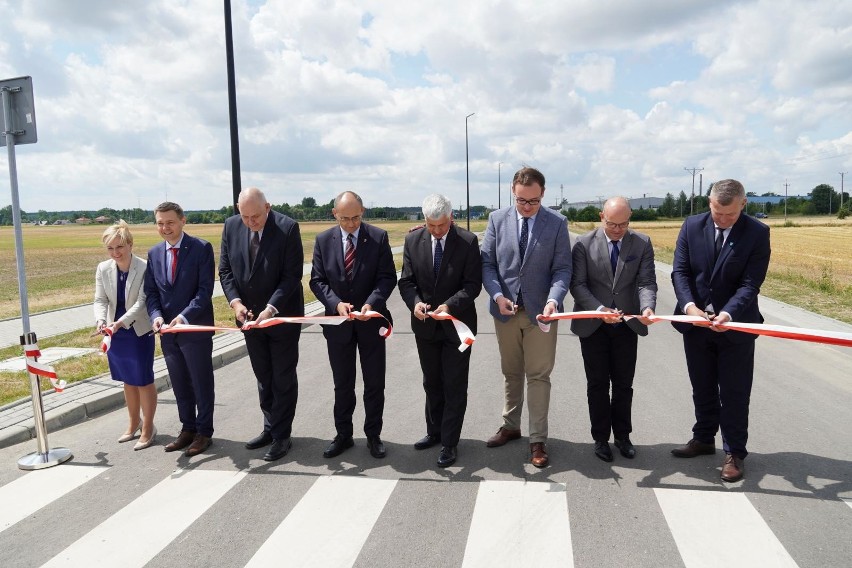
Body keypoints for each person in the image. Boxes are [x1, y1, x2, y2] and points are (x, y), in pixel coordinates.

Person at [670, 179, 771, 482]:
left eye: (729, 214)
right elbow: (681, 271)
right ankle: (703, 438)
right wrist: (689, 308)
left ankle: (734, 452)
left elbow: (751, 283)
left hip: (735, 327)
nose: (722, 219)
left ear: (743, 204)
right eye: (717, 212)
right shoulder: (691, 226)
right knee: (701, 385)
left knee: (734, 392)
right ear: (709, 202)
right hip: (696, 324)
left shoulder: (757, 233)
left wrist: (728, 313)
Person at [480, 166, 571, 468]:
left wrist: (552, 300)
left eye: (533, 201)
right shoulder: (496, 220)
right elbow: (488, 265)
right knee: (511, 371)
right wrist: (496, 295)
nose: (527, 207)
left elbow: (562, 269)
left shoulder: (557, 223)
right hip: (505, 311)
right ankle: (510, 425)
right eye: (521, 201)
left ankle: (537, 439)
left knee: (538, 375)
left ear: (543, 194)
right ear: (513, 192)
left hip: (540, 315)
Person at [309, 191, 397, 459]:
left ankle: (373, 435)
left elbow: (386, 277)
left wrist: (371, 303)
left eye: (356, 218)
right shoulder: (324, 240)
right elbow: (317, 280)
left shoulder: (378, 237)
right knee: (342, 384)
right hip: (338, 325)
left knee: (374, 383)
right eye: (345, 218)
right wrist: (336, 304)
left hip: (370, 324)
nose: (351, 224)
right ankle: (343, 435)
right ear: (335, 214)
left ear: (363, 212)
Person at [219, 187, 304, 462]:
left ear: (267, 207)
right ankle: (269, 426)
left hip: (280, 316)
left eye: (255, 216)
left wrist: (270, 308)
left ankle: (282, 436)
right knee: (263, 375)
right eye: (245, 217)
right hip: (249, 318)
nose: (250, 222)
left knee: (282, 377)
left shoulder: (287, 228)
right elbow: (226, 270)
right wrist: (235, 303)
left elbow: (292, 276)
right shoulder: (231, 226)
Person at [569, 197, 657, 462]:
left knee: (623, 384)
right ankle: (600, 439)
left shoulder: (641, 243)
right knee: (597, 384)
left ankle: (623, 436)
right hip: (593, 326)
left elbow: (646, 282)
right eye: (612, 224)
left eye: (624, 224)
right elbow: (578, 285)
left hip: (627, 324)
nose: (618, 229)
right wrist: (598, 309)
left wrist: (647, 307)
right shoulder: (583, 244)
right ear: (601, 217)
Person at [398, 194, 482, 468]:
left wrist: (449, 305)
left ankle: (449, 442)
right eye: (431, 226)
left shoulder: (467, 242)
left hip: (457, 326)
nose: (436, 231)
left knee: (454, 384)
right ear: (424, 221)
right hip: (426, 327)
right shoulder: (412, 241)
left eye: (441, 226)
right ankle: (434, 432)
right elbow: (407, 282)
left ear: (451, 218)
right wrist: (415, 303)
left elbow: (472, 285)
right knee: (431, 382)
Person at [144, 202, 216, 457]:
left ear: (183, 221)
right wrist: (156, 317)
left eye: (170, 222)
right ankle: (187, 428)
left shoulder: (201, 249)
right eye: (160, 223)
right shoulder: (153, 254)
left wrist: (183, 317)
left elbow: (204, 291)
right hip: (167, 334)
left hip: (194, 329)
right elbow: (151, 293)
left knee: (200, 382)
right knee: (180, 384)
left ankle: (204, 432)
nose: (165, 227)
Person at [94, 220, 157, 451]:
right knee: (127, 380)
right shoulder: (103, 268)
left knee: (143, 379)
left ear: (130, 244)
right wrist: (101, 321)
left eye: (119, 247)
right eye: (110, 248)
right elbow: (100, 299)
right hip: (114, 333)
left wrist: (120, 322)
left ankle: (148, 428)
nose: (115, 253)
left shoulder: (144, 267)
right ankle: (133, 423)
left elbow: (142, 301)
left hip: (137, 330)